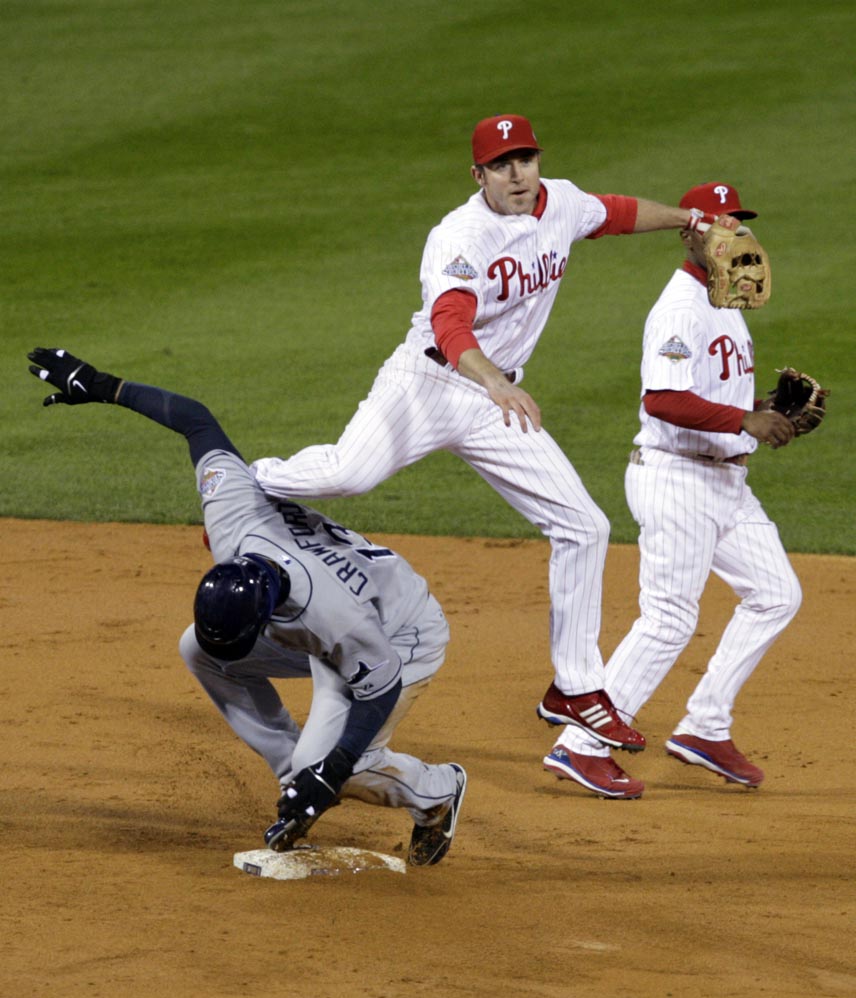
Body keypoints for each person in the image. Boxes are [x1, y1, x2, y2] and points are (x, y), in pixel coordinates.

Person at [251, 113, 718, 764]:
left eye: (525, 158)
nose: (518, 172)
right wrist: (494, 380)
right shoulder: (460, 235)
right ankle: (249, 480)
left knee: (584, 525)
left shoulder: (560, 201)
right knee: (348, 473)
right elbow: (450, 322)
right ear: (479, 175)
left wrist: (686, 221)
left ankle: (577, 688)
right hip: (432, 382)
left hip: (495, 399)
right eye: (502, 164)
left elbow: (611, 212)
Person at [28, 346, 466, 865]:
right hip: (331, 621)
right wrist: (106, 386)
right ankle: (294, 786)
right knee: (199, 650)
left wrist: (330, 772)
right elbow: (195, 420)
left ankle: (437, 791)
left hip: (398, 634)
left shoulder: (333, 615)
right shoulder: (230, 514)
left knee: (349, 764)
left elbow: (381, 683)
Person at [543, 182, 802, 798]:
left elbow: (708, 392)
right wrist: (744, 421)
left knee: (775, 594)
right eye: (719, 223)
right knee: (668, 618)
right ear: (690, 233)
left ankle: (705, 726)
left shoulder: (728, 299)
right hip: (677, 477)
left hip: (725, 483)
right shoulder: (682, 306)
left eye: (738, 223)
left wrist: (756, 406)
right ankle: (581, 745)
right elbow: (662, 399)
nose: (733, 234)